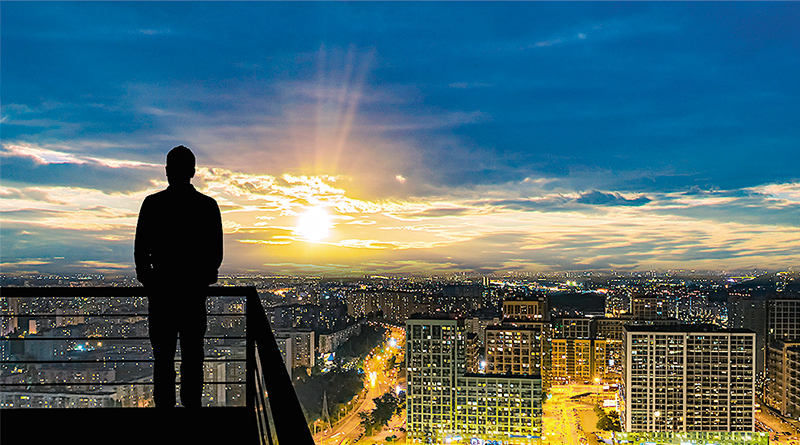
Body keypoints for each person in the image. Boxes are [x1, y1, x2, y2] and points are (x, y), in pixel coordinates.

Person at [134, 145, 223, 408]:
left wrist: (152, 282)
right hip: (193, 296)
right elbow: (215, 255)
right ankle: (192, 411)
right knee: (193, 357)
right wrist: (198, 280)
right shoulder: (207, 207)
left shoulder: (153, 205)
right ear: (193, 172)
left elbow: (141, 253)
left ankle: (165, 412)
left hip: (162, 296)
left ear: (166, 172)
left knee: (163, 358)